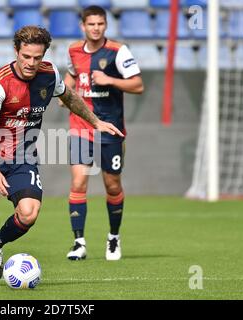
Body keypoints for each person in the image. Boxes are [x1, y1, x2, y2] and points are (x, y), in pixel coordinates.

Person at [0, 25, 123, 286]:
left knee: (28, 213)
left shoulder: (49, 74)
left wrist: (95, 121)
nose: (31, 63)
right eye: (26, 56)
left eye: (37, 57)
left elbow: (69, 96)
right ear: (16, 51)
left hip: (22, 157)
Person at [63, 6, 144, 261]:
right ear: (83, 26)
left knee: (112, 185)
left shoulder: (118, 52)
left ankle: (113, 237)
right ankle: (79, 243)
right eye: (91, 24)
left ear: (106, 25)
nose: (95, 28)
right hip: (80, 126)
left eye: (100, 24)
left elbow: (138, 85)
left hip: (110, 129)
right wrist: (65, 93)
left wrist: (111, 81)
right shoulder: (73, 50)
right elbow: (71, 76)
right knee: (78, 182)